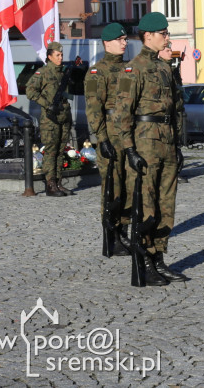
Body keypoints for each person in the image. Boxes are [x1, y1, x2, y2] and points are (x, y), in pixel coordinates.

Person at [113, 12, 187, 286]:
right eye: (163, 33)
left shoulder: (164, 68)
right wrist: (129, 149)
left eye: (166, 33)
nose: (167, 37)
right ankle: (143, 260)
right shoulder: (132, 70)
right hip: (145, 144)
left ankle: (158, 258)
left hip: (166, 142)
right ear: (148, 36)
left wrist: (178, 145)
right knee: (146, 207)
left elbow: (174, 109)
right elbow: (122, 114)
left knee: (166, 205)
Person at [85, 23, 132, 252]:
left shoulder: (129, 68)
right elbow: (94, 108)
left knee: (129, 186)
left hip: (128, 136)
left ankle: (124, 232)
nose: (124, 42)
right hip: (110, 136)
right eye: (119, 39)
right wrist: (102, 139)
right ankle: (111, 236)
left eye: (125, 39)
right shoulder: (97, 72)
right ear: (107, 43)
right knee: (112, 187)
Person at [27, 42, 73, 197]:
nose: (61, 58)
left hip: (64, 116)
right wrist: (47, 105)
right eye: (57, 55)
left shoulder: (63, 73)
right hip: (50, 119)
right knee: (51, 151)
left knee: (61, 150)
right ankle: (50, 184)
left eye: (61, 55)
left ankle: (58, 182)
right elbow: (30, 91)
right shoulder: (43, 73)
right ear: (49, 56)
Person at [158, 46, 188, 184]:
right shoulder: (159, 69)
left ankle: (177, 171)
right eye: (167, 50)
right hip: (168, 113)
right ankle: (170, 174)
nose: (171, 52)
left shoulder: (173, 70)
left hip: (177, 112)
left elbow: (179, 89)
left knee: (178, 142)